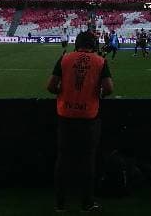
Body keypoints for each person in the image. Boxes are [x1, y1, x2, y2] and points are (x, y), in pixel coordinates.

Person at [46, 29, 114, 212]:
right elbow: (108, 88)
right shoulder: (100, 61)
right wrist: (98, 94)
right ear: (93, 45)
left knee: (63, 160)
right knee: (88, 160)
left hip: (65, 115)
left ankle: (60, 203)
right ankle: (87, 202)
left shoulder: (65, 58)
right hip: (89, 117)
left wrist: (62, 93)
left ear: (77, 43)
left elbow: (51, 86)